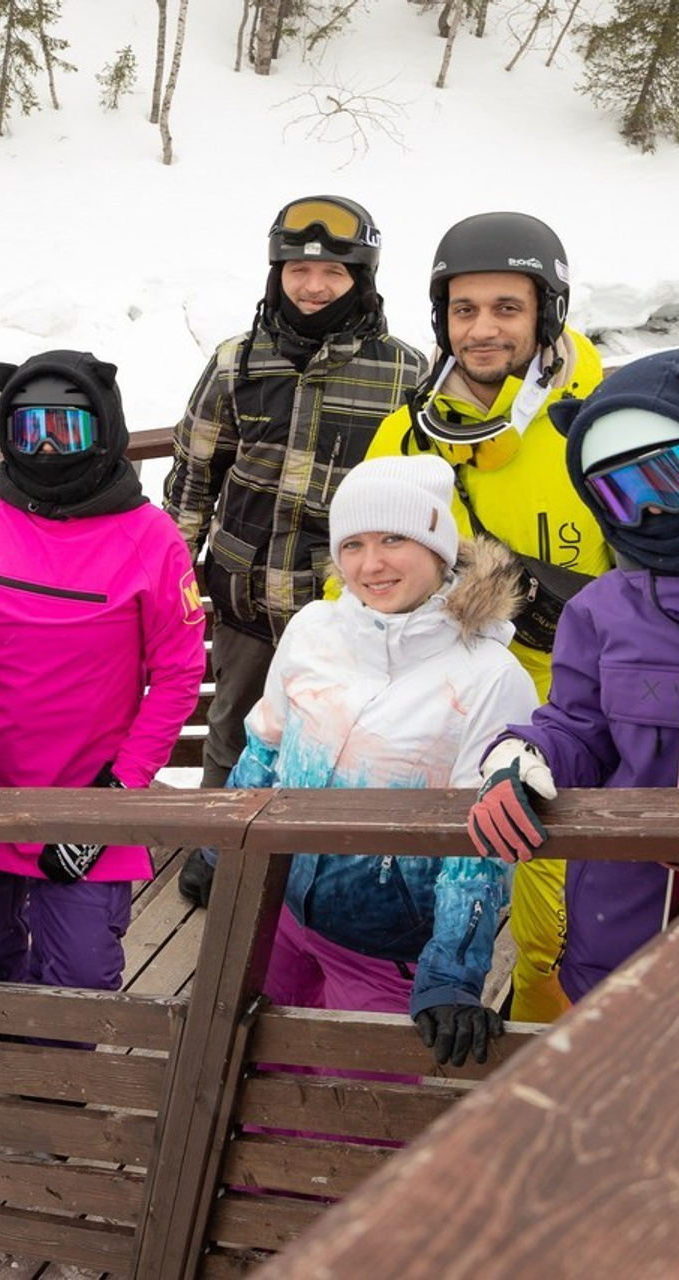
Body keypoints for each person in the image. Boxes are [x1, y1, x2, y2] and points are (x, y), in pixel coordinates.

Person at [364, 211, 611, 1024]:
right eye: (463, 310)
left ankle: (552, 1088)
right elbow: (360, 575)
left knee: (561, 932)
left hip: (573, 729)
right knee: (402, 905)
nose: (483, 329)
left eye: (507, 308)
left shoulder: (605, 422)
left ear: (547, 313)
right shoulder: (407, 434)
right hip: (442, 715)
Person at [0, 350, 206, 1008]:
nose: (44, 447)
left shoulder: (150, 539)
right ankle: (10, 1071)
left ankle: (60, 1081)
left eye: (65, 430)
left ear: (104, 430)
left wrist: (115, 796)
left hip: (85, 799)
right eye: (27, 430)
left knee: (82, 975)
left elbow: (180, 674)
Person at [225, 455, 538, 1065]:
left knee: (358, 1116)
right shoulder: (315, 628)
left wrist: (451, 969)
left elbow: (484, 846)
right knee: (255, 1068)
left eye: (394, 539)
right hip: (280, 911)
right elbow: (267, 743)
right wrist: (220, 849)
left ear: (439, 547)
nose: (371, 564)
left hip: (387, 946)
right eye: (355, 544)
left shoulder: (489, 675)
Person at [163, 195, 427, 909]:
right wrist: (173, 575)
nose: (313, 285)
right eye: (298, 269)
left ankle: (315, 875)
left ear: (361, 277)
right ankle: (217, 854)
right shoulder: (237, 361)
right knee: (232, 732)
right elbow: (193, 475)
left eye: (332, 271)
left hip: (345, 610)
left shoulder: (404, 372)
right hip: (247, 596)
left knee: (332, 748)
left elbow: (427, 492)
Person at [467, 349, 679, 1007]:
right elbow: (577, 727)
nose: (646, 513)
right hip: (626, 927)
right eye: (620, 492)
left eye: (664, 477)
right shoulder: (604, 610)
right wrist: (519, 760)